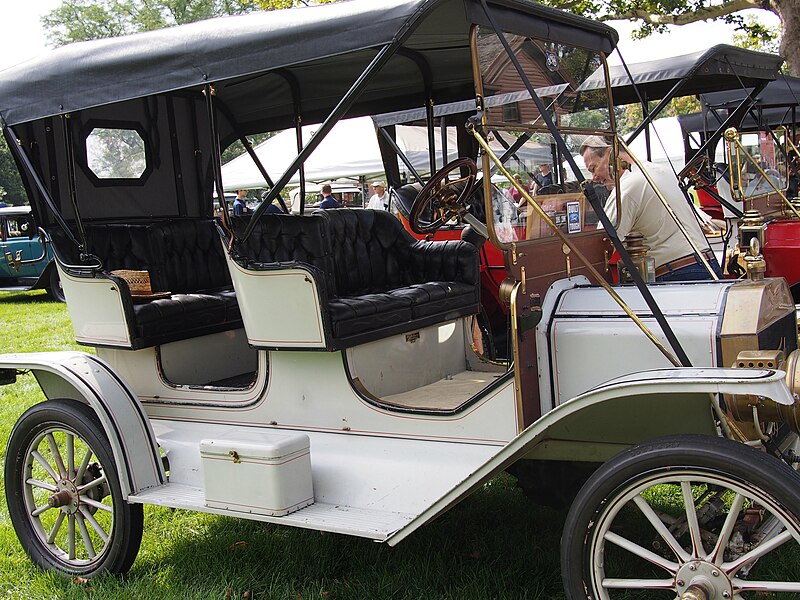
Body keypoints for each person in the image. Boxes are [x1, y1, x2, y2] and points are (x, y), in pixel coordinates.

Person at [579, 135, 720, 282]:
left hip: (678, 274)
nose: (594, 177)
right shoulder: (662, 171)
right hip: (707, 263)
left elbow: (601, 245)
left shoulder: (627, 188)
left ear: (610, 153)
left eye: (593, 168)